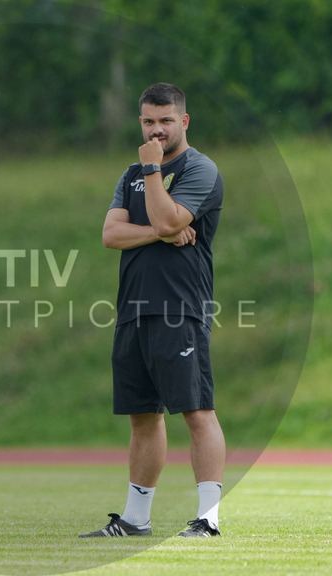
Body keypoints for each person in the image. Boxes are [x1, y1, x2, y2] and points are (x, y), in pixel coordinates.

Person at [80, 82, 225, 538]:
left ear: (183, 121)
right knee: (143, 417)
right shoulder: (131, 175)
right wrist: (160, 230)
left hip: (180, 307)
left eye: (165, 120)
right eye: (148, 121)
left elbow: (164, 218)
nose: (156, 129)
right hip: (133, 309)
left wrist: (153, 175)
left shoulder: (201, 169)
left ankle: (208, 519)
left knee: (196, 410)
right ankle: (135, 519)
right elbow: (110, 234)